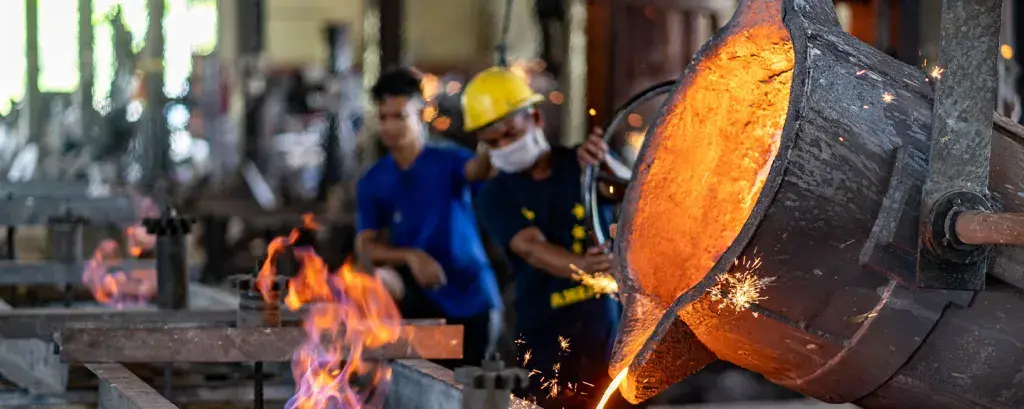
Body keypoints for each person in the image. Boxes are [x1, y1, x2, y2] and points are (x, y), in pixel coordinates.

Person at [464, 66, 622, 408]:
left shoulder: (582, 165)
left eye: (509, 133)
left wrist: (607, 164)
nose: (503, 147)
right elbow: (531, 248)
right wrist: (581, 266)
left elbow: (633, 191)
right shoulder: (496, 194)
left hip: (607, 330)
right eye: (491, 142)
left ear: (535, 117)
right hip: (542, 338)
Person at [355, 67, 503, 369]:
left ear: (422, 114)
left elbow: (479, 170)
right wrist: (411, 256)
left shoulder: (449, 160)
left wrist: (491, 131)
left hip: (470, 295)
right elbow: (365, 246)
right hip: (422, 302)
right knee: (426, 385)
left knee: (466, 389)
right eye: (383, 117)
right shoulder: (374, 180)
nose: (390, 126)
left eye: (399, 116)